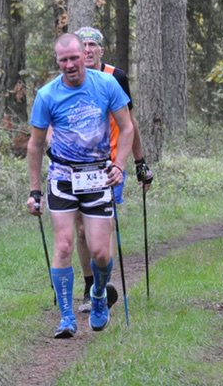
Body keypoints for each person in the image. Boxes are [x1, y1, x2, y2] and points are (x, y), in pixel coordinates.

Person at [26, 33, 134, 338]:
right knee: (63, 245)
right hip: (62, 176)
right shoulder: (47, 95)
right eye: (64, 60)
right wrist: (34, 191)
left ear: (83, 57)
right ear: (57, 61)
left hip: (98, 174)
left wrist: (119, 165)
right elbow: (35, 145)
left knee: (100, 252)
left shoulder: (106, 84)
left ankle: (98, 294)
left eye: (74, 58)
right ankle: (66, 317)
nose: (70, 65)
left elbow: (127, 128)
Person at [71, 26, 152, 313]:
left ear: (101, 50)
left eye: (93, 45)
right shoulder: (70, 80)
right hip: (79, 166)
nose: (88, 50)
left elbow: (130, 122)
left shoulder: (116, 77)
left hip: (111, 165)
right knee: (82, 230)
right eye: (83, 45)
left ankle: (103, 283)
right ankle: (89, 286)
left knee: (103, 227)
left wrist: (140, 163)